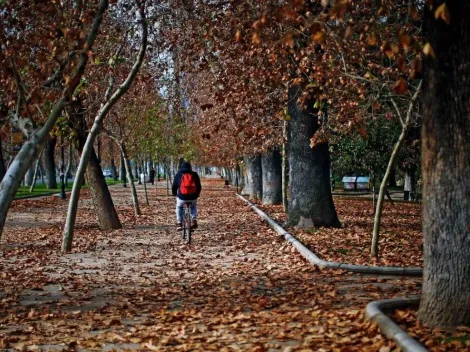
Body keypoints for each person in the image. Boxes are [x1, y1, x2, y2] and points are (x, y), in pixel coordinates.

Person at [172, 162, 202, 231]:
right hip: (193, 197)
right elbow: (199, 186)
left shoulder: (178, 175)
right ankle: (193, 218)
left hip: (182, 197)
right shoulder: (194, 174)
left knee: (179, 207)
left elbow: (174, 186)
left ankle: (179, 223)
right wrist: (197, 195)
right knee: (193, 206)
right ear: (190, 167)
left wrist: (174, 193)